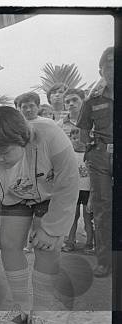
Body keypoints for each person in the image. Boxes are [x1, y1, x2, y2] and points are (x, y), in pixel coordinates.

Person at [0, 106, 79, 324]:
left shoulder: (50, 135)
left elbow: (69, 181)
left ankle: (41, 314)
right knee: (7, 243)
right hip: (15, 198)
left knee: (47, 246)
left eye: (4, 152)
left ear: (22, 138)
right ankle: (21, 307)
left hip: (50, 195)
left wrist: (52, 228)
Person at [76, 46, 114, 277]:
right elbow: (82, 134)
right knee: (102, 210)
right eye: (107, 65)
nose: (112, 69)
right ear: (100, 70)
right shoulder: (91, 101)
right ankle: (104, 261)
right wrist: (94, 148)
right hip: (101, 158)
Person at [59, 88, 94, 254]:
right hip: (69, 179)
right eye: (68, 101)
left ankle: (90, 242)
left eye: (75, 100)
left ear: (83, 101)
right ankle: (69, 241)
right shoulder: (59, 125)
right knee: (71, 214)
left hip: (90, 178)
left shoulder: (94, 122)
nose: (71, 104)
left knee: (89, 214)